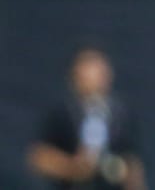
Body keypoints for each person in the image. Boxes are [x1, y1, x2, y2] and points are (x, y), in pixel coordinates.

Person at [27, 44, 146, 190]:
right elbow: (39, 158)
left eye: (99, 72)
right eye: (87, 71)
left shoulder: (122, 116)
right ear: (74, 76)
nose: (94, 78)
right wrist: (72, 168)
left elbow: (133, 164)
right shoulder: (62, 113)